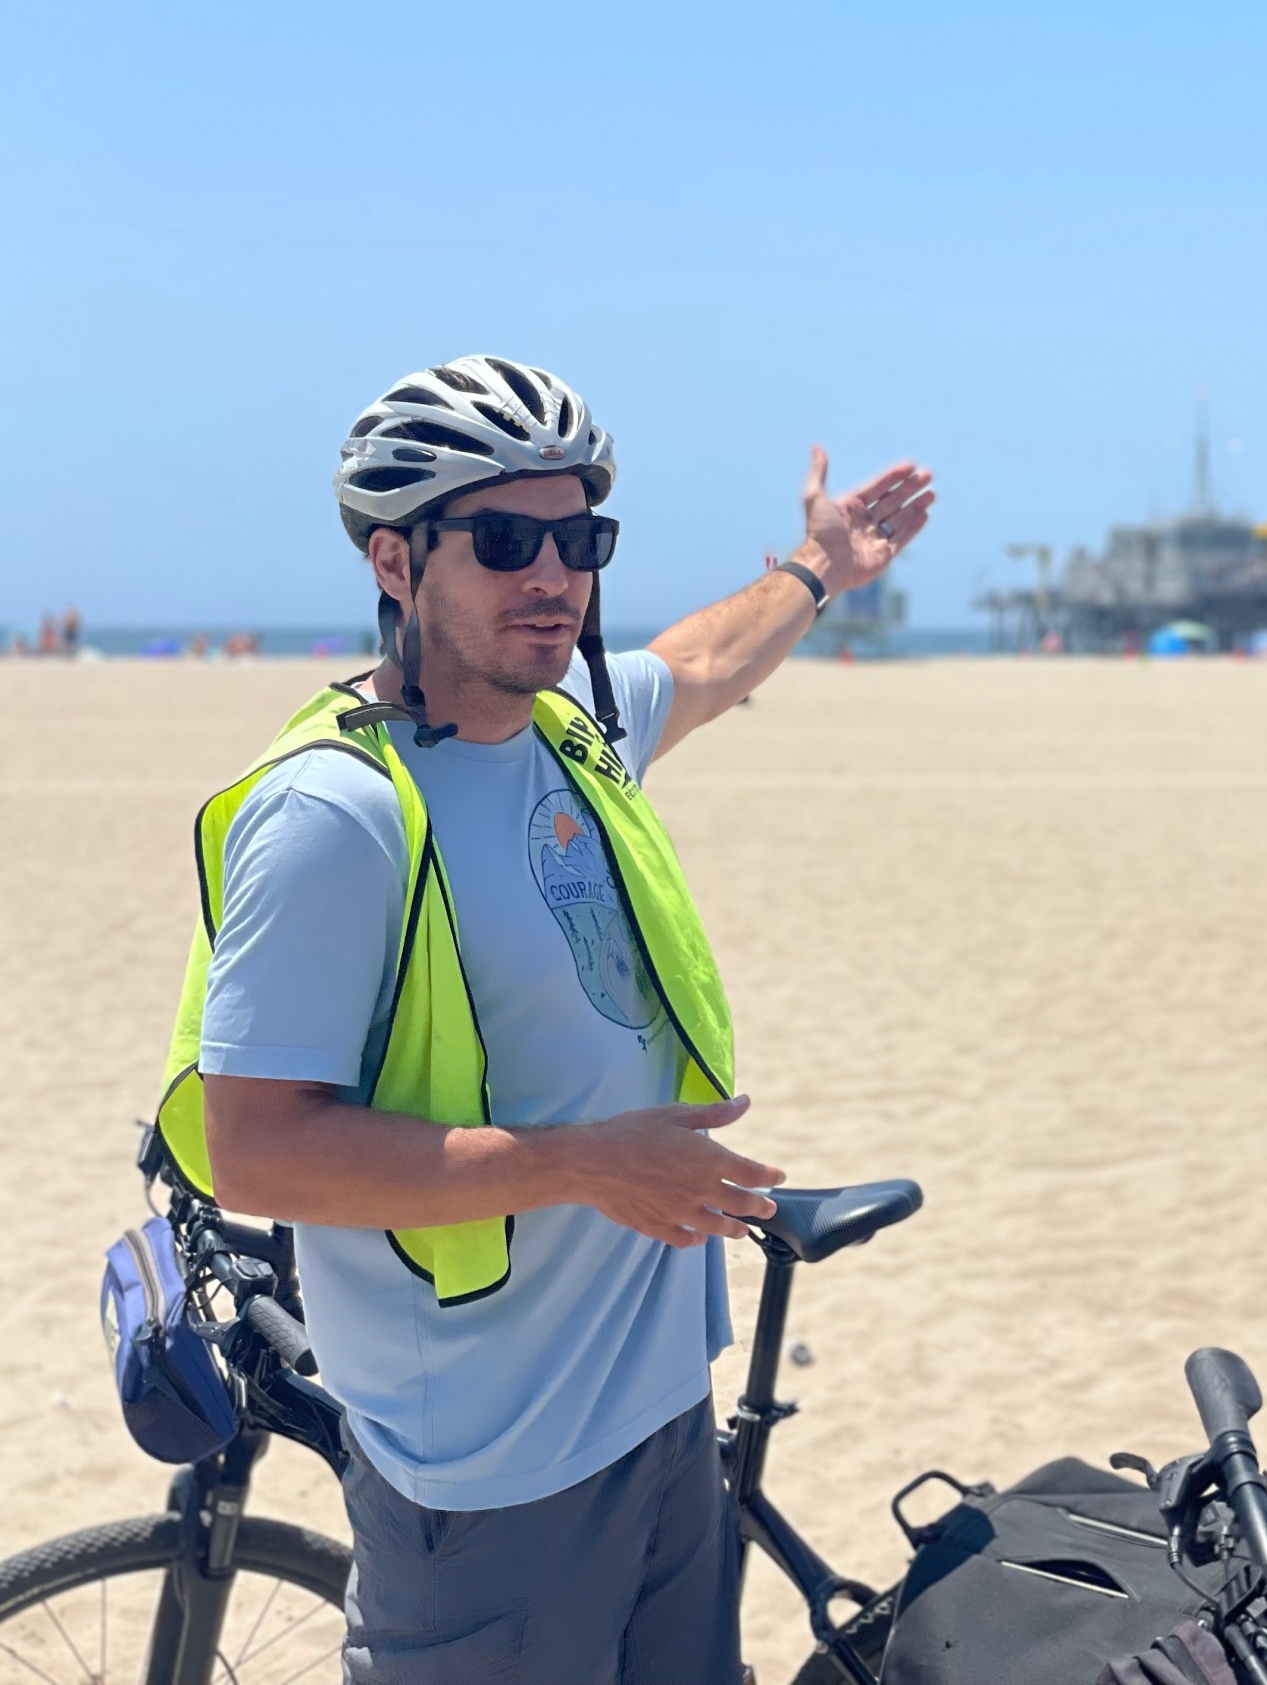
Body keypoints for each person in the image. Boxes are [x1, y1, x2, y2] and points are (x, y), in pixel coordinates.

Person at [153, 355, 932, 1683]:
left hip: (660, 1411)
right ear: (396, 562)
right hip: (490, 1468)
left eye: (579, 539)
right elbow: (258, 1154)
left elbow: (701, 662)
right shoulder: (336, 815)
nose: (554, 577)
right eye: (507, 540)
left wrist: (814, 573)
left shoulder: (572, 720)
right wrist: (585, 1164)